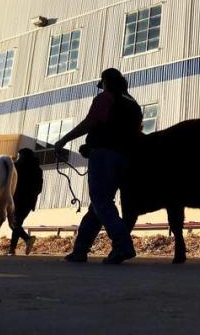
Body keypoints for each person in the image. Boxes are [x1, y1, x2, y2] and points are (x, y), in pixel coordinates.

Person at [55, 68, 143, 265]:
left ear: (105, 82)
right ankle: (80, 250)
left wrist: (63, 140)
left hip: (104, 157)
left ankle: (123, 245)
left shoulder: (105, 98)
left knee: (101, 202)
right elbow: (133, 133)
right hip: (125, 159)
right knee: (98, 205)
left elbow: (91, 122)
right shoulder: (133, 105)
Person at [8, 148, 43, 255]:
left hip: (17, 199)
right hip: (28, 201)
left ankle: (24, 241)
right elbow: (39, 188)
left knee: (14, 223)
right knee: (16, 223)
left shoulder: (17, 167)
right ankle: (14, 248)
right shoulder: (38, 169)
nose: (17, 158)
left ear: (23, 156)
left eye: (19, 156)